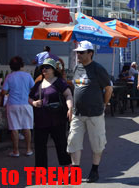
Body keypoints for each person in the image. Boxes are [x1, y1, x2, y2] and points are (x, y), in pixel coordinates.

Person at [67, 41, 112, 183]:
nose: (78, 54)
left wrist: (104, 104)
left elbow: (108, 88)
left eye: (81, 52)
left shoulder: (98, 69)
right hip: (78, 113)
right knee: (73, 141)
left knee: (97, 143)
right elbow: (76, 87)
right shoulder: (76, 68)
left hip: (95, 113)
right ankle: (75, 171)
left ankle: (94, 170)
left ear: (90, 53)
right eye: (77, 52)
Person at [29, 58, 72, 168]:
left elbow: (68, 95)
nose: (44, 69)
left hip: (57, 120)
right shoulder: (38, 83)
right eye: (42, 67)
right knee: (39, 146)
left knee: (61, 144)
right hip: (40, 120)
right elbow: (28, 98)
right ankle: (40, 169)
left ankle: (67, 166)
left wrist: (70, 108)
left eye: (47, 67)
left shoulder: (59, 82)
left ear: (53, 69)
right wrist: (33, 103)